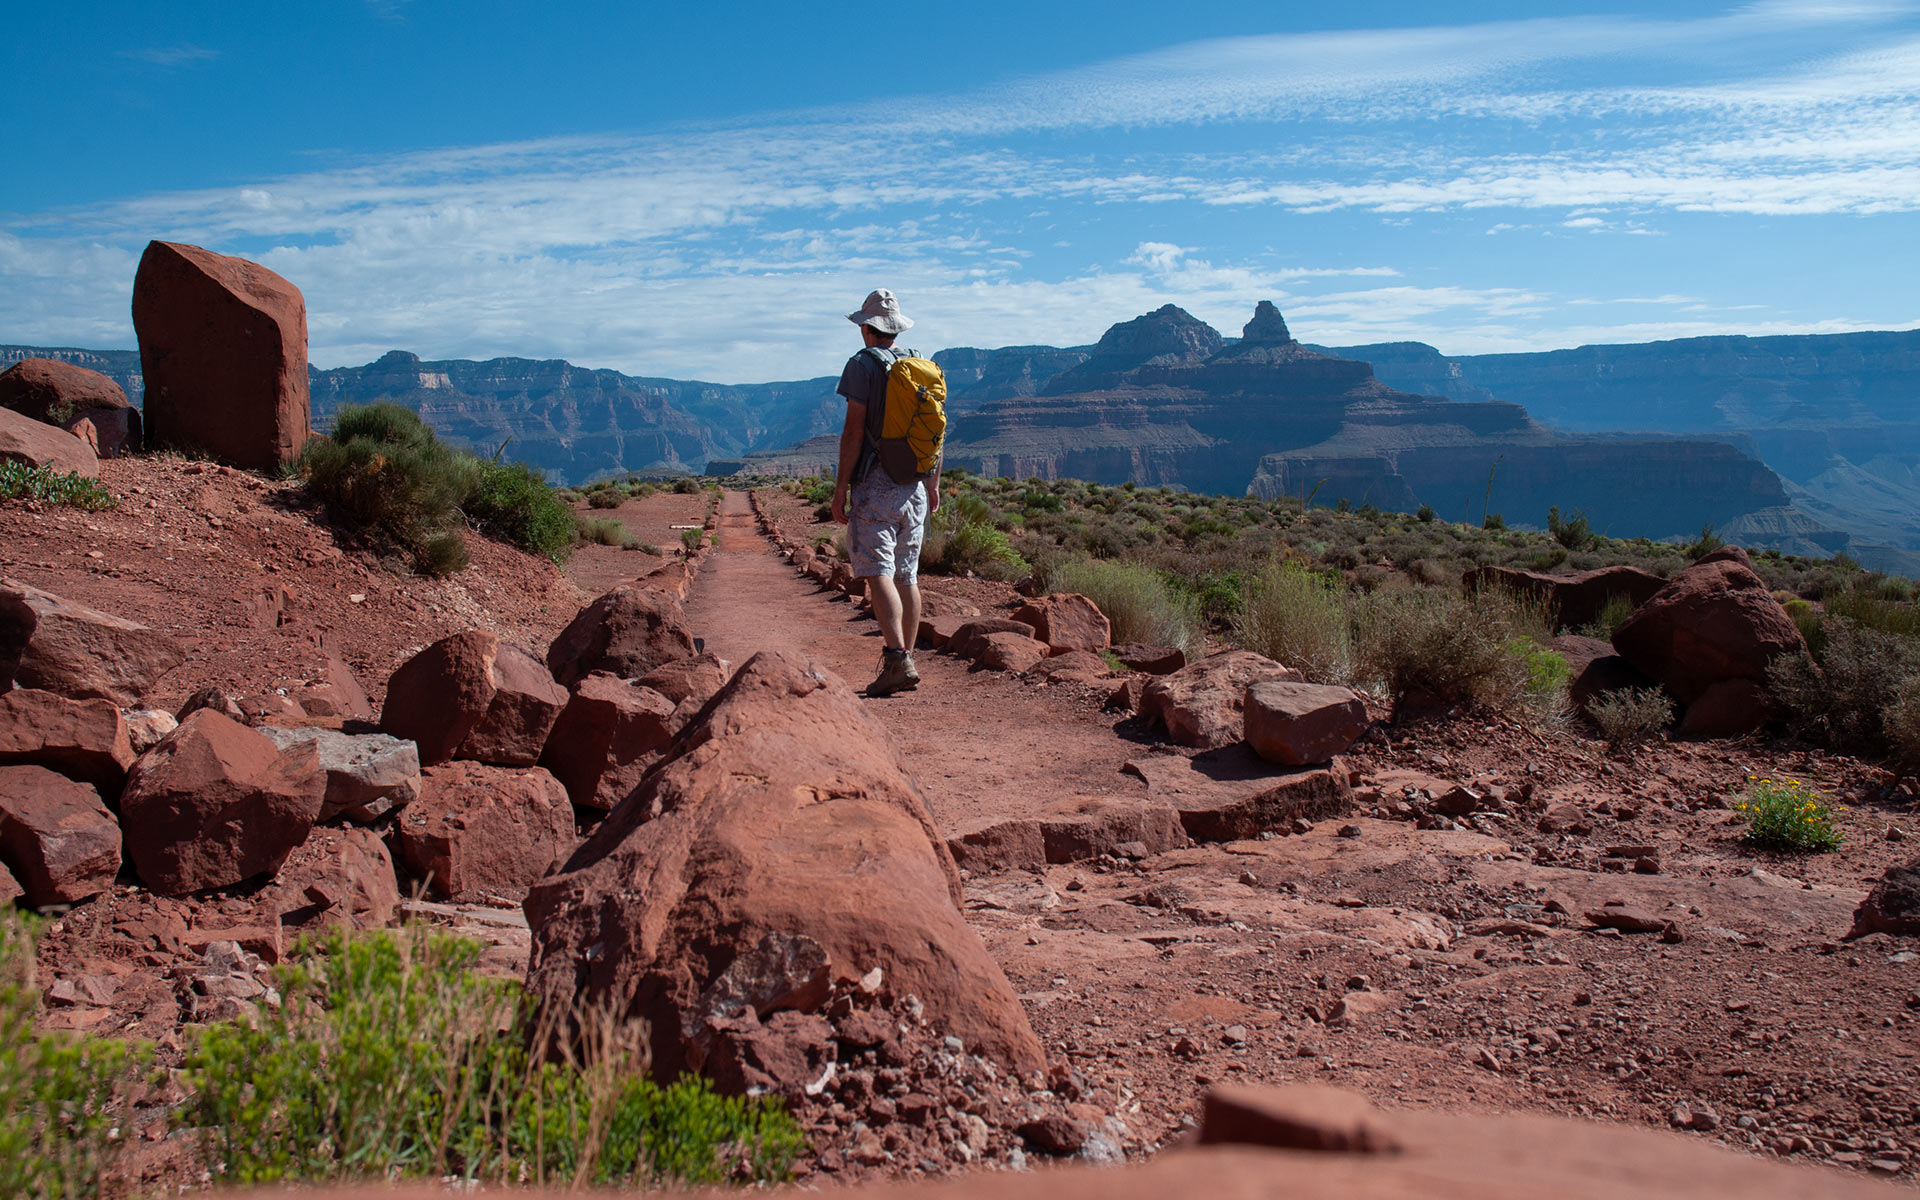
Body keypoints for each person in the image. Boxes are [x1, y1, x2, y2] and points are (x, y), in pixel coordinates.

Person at [831, 288, 941, 697]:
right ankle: (906, 659)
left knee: (878, 572)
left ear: (866, 328)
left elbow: (854, 430)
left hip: (875, 483)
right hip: (912, 483)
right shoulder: (919, 365)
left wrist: (841, 487)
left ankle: (898, 659)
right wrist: (932, 483)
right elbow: (936, 432)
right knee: (906, 574)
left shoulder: (861, 366)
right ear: (895, 330)